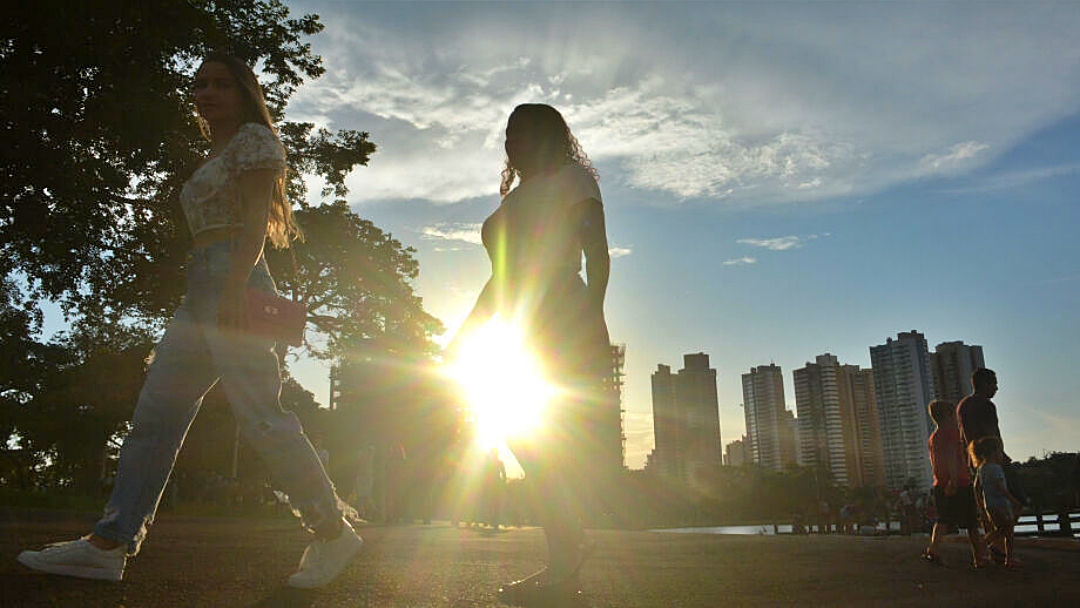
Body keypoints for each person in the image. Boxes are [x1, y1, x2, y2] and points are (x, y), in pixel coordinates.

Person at [16, 53, 362, 588]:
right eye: (199, 84)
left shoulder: (253, 141)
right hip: (201, 287)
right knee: (156, 413)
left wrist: (232, 288)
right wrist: (210, 289)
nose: (206, 92)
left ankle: (333, 531)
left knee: (260, 416)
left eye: (221, 84)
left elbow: (251, 224)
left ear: (245, 92)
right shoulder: (214, 152)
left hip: (233, 281)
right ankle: (111, 541)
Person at [449, 103, 611, 603]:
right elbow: (501, 281)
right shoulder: (518, 197)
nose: (512, 142)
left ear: (548, 136)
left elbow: (597, 255)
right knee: (525, 434)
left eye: (523, 133)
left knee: (547, 435)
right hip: (521, 325)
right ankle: (567, 549)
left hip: (564, 314)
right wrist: (463, 336)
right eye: (508, 133)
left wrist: (594, 315)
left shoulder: (572, 181)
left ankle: (566, 553)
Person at [922, 399, 987, 567]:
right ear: (948, 415)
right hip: (958, 482)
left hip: (940, 483)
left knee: (943, 519)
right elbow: (951, 455)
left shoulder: (933, 437)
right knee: (972, 522)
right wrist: (954, 479)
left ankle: (933, 549)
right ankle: (979, 558)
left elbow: (935, 461)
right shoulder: (951, 432)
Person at [970, 436, 1024, 568]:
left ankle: (989, 547)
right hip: (1001, 504)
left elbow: (976, 488)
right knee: (1007, 530)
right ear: (994, 452)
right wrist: (1013, 500)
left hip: (990, 505)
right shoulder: (995, 468)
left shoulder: (981, 469)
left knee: (1002, 529)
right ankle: (990, 547)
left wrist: (981, 505)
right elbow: (1001, 488)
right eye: (1000, 452)